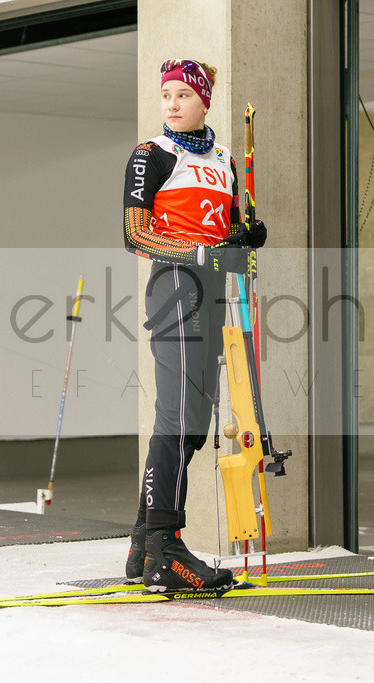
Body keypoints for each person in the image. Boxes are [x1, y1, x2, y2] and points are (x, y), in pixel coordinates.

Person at [121, 58, 266, 592]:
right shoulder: (152, 155)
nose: (172, 103)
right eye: (167, 95)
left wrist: (244, 238)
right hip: (175, 286)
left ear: (204, 100)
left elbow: (228, 232)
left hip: (215, 292)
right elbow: (137, 236)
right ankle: (166, 549)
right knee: (178, 414)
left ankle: (143, 542)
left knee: (197, 420)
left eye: (184, 94)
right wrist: (201, 252)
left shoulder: (226, 159)